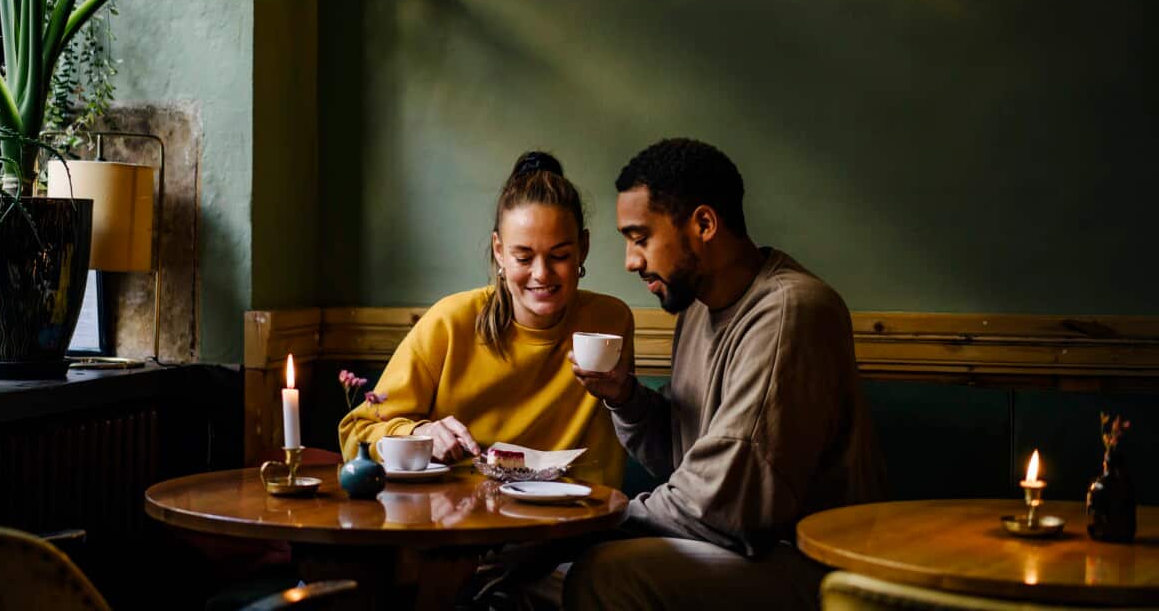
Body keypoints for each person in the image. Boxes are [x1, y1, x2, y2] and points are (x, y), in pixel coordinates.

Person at [564, 138, 885, 610]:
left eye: (640, 237)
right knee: (538, 584)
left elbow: (722, 503)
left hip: (814, 567)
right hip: (735, 551)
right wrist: (625, 397)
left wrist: (578, 530)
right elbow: (687, 457)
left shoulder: (790, 312)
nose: (630, 261)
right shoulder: (696, 309)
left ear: (704, 224)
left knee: (606, 575)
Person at [338, 151, 630, 487]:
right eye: (523, 256)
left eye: (560, 256)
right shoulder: (450, 322)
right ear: (499, 250)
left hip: (575, 524)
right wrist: (419, 432)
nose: (541, 273)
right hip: (460, 526)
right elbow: (356, 433)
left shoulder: (610, 321)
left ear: (584, 248)